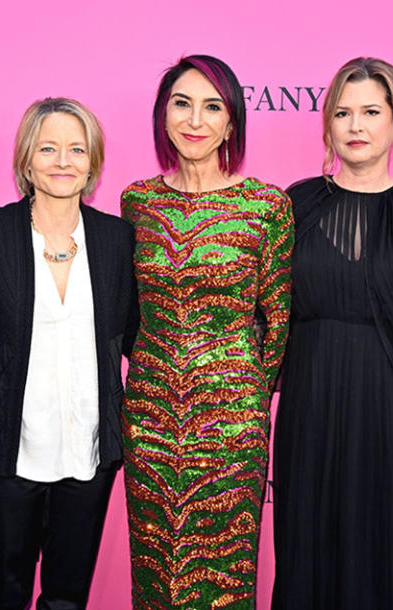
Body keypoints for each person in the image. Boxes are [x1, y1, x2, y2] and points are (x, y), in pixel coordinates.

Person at [271, 57, 393, 609]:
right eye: (342, 113)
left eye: (371, 111)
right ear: (327, 123)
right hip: (312, 402)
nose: (355, 126)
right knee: (310, 541)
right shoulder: (293, 205)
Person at [120, 55, 293, 608]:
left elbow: (278, 320)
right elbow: (129, 315)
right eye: (182, 103)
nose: (195, 120)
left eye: (212, 106)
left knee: (223, 581)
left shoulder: (266, 207)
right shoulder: (138, 202)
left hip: (232, 431)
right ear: (162, 115)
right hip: (149, 421)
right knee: (153, 573)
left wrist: (242, 400)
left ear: (232, 122)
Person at [0, 97, 138, 610]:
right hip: (7, 454)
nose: (63, 161)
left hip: (87, 455)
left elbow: (133, 335)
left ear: (93, 162)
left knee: (68, 598)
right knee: (5, 597)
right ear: (26, 159)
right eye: (48, 148)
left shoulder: (116, 239)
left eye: (76, 149)